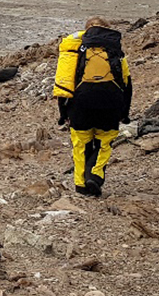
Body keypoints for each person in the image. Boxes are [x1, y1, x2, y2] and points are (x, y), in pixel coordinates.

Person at [52, 16, 133, 197]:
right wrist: (124, 113)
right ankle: (95, 176)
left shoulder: (75, 50)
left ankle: (81, 185)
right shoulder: (115, 51)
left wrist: (63, 113)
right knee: (104, 142)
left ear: (86, 30)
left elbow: (64, 84)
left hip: (80, 104)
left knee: (80, 144)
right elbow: (126, 85)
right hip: (110, 104)